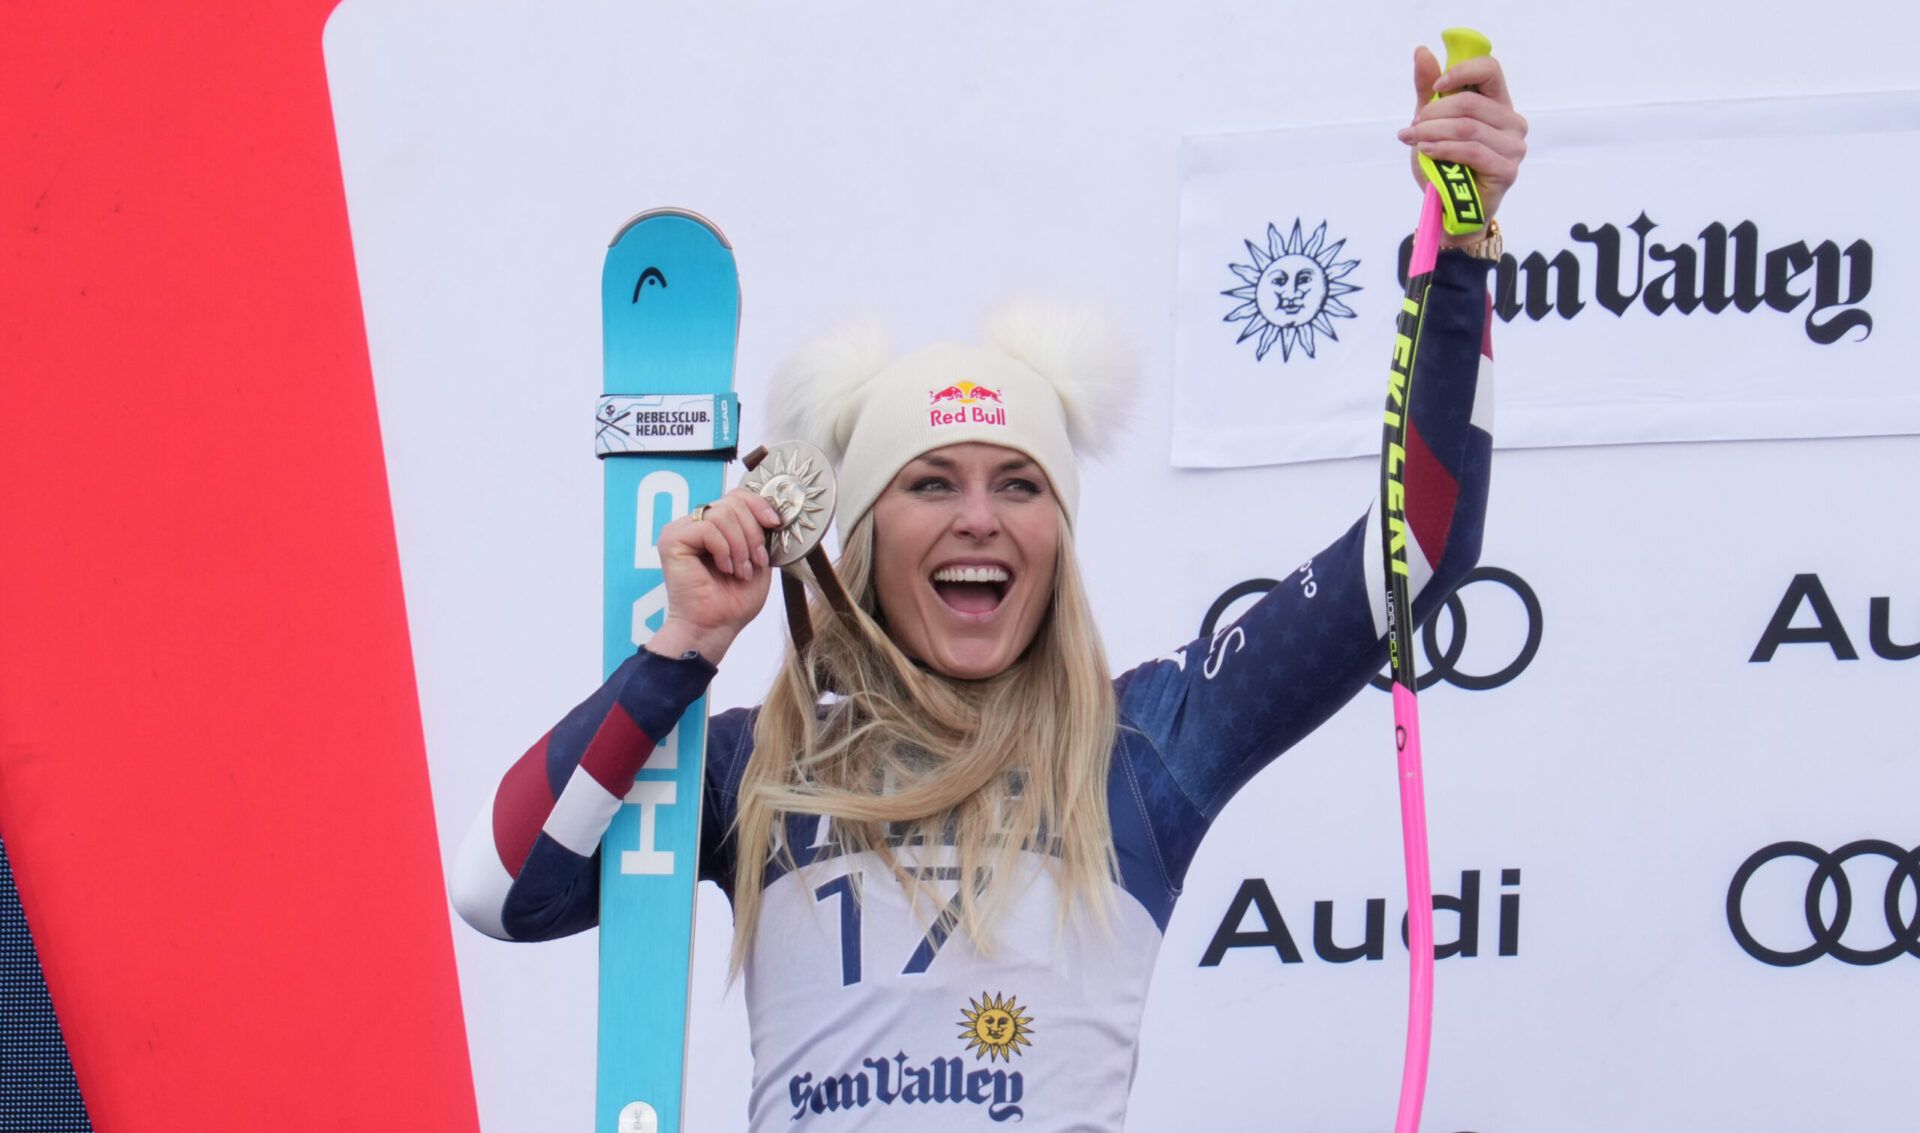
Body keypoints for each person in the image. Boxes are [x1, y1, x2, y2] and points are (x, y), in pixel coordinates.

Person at [452, 48, 1526, 1133]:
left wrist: (1465, 250)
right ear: (865, 537)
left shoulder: (1147, 742)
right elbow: (503, 889)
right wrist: (674, 658)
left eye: (1020, 483)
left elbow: (1418, 547)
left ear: (1057, 534)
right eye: (930, 483)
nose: (981, 517)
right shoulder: (753, 767)